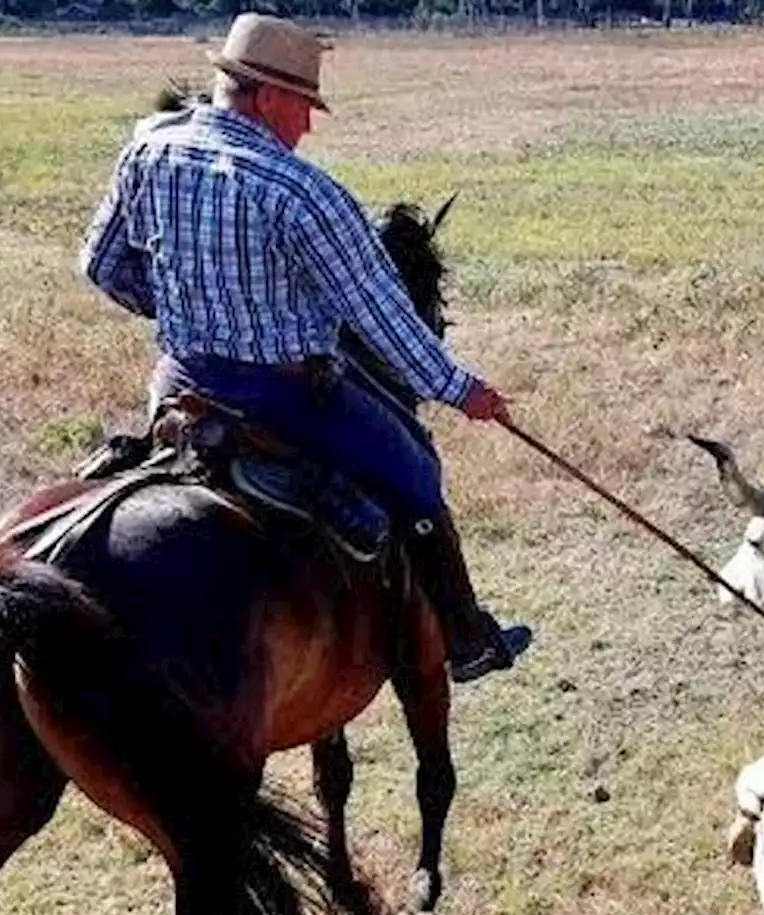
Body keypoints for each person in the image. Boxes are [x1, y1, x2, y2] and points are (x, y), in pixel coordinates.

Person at [77, 13, 532, 684]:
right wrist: (463, 391)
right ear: (264, 96)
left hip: (179, 382)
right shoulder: (299, 191)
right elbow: (385, 318)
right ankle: (465, 639)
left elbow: (101, 265)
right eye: (303, 105)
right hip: (285, 394)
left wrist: (182, 308)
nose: (308, 125)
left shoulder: (148, 149)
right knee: (416, 475)